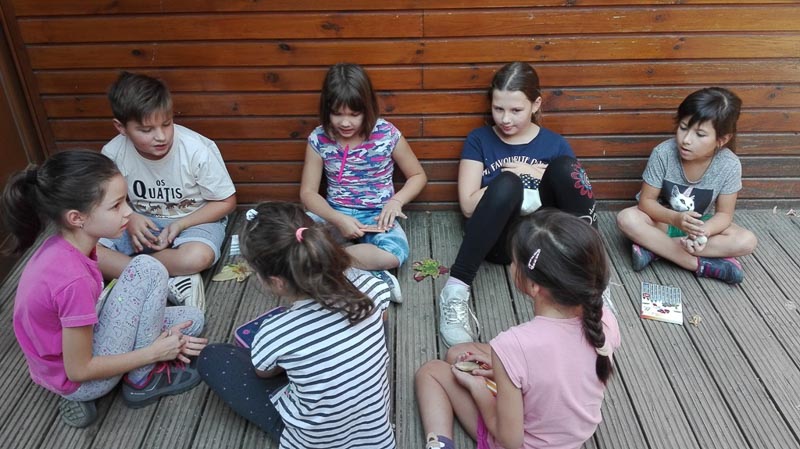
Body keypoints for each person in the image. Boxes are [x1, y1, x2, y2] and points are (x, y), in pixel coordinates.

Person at [2, 150, 207, 429]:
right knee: (148, 268)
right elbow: (79, 370)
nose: (128, 212)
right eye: (116, 206)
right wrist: (155, 352)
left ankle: (144, 355)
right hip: (77, 380)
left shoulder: (65, 246)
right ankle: (143, 379)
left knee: (193, 319)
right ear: (77, 218)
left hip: (78, 345)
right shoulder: (72, 280)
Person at [198, 201, 396, 449]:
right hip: (377, 439)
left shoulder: (275, 332)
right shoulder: (371, 287)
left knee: (213, 357)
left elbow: (264, 373)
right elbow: (382, 320)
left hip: (312, 442)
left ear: (276, 282)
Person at [416, 209, 621, 449]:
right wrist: (501, 370)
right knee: (457, 353)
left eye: (513, 261)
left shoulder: (513, 345)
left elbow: (510, 441)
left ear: (533, 285)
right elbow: (562, 365)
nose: (512, 266)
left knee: (430, 372)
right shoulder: (603, 318)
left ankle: (440, 444)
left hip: (525, 443)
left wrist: (479, 389)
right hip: (571, 434)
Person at [438, 62, 598, 347]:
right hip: (498, 242)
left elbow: (574, 194)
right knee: (508, 182)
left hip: (543, 244)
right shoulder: (479, 139)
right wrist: (509, 179)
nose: (505, 119)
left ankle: (594, 285)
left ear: (536, 105)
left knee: (566, 168)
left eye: (515, 110)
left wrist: (535, 173)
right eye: (498, 108)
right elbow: (468, 206)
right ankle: (455, 289)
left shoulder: (555, 144)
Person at [97, 71, 237, 310]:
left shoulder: (195, 150)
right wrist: (130, 217)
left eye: (166, 124)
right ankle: (169, 279)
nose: (161, 136)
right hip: (138, 220)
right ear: (121, 127)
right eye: (146, 130)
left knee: (198, 257)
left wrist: (181, 224)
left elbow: (226, 202)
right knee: (88, 250)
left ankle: (131, 271)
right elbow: (106, 201)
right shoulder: (113, 153)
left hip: (194, 219)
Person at [299, 63, 427, 303]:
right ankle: (368, 273)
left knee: (394, 253)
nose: (345, 123)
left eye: (354, 114)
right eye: (337, 114)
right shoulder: (319, 139)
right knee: (297, 236)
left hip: (377, 216)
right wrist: (338, 219)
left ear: (367, 108)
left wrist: (396, 201)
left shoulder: (386, 134)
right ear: (326, 109)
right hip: (334, 213)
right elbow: (308, 193)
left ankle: (328, 262)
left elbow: (418, 175)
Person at [616, 87, 757, 284]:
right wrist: (675, 218)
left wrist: (703, 232)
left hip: (698, 226)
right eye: (683, 128)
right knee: (627, 218)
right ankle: (698, 264)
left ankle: (654, 249)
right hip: (663, 221)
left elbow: (724, 215)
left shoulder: (729, 165)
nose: (686, 140)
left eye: (700, 134)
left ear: (722, 139)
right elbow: (646, 202)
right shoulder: (663, 153)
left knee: (747, 241)